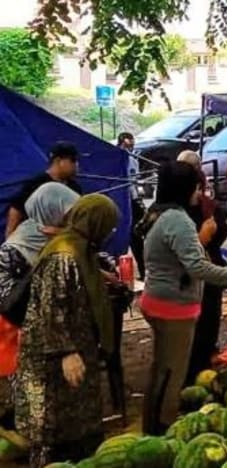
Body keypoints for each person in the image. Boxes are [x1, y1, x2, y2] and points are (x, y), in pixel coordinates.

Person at [139, 162, 227, 435]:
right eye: (197, 187)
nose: (200, 193)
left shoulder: (157, 212)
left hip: (156, 298)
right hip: (172, 306)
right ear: (185, 188)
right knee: (172, 371)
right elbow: (197, 267)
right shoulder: (178, 220)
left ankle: (152, 423)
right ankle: (161, 429)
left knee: (161, 368)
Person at [15, 194, 119, 466]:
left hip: (77, 352)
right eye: (107, 225)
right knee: (53, 432)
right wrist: (67, 353)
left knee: (79, 430)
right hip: (52, 360)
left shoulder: (80, 248)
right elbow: (52, 306)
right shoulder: (64, 254)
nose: (109, 233)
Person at [0, 183, 79, 430]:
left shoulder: (59, 236)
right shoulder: (16, 246)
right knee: (25, 387)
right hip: (13, 324)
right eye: (65, 212)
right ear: (49, 209)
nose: (69, 218)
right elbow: (7, 296)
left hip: (37, 321)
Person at [175, 151, 227, 385]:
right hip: (198, 272)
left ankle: (198, 370)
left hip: (200, 273)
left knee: (203, 323)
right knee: (204, 323)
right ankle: (196, 371)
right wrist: (204, 241)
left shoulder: (176, 210)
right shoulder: (181, 215)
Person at [6, 141, 83, 237]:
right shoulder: (36, 183)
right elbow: (17, 209)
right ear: (59, 161)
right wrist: (10, 235)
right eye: (73, 160)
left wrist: (60, 231)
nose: (77, 165)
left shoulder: (75, 188)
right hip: (34, 236)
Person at [118, 132, 147, 280]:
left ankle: (142, 270)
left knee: (137, 237)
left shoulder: (133, 160)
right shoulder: (115, 159)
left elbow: (135, 182)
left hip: (132, 200)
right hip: (121, 199)